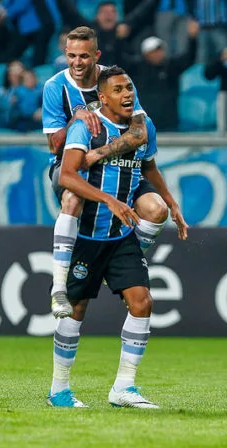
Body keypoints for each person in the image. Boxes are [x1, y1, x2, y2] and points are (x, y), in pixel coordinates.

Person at [47, 66, 187, 408]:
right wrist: (109, 199)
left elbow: (149, 166)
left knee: (143, 302)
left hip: (121, 234)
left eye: (130, 88)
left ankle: (123, 388)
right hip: (89, 235)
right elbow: (67, 174)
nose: (127, 95)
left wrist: (171, 203)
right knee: (75, 311)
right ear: (103, 97)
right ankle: (59, 391)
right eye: (120, 90)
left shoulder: (144, 127)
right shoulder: (85, 128)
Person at [42, 26, 184, 319]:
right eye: (71, 56)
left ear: (96, 55)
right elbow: (55, 146)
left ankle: (125, 256)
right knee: (72, 199)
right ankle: (58, 288)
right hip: (71, 165)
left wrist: (100, 152)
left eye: (84, 56)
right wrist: (76, 120)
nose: (77, 63)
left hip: (122, 166)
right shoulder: (55, 87)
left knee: (155, 210)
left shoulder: (117, 81)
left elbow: (139, 132)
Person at [124, 20, 199, 131]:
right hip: (144, 124)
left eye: (160, 50)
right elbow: (119, 59)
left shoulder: (170, 67)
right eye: (154, 51)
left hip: (169, 123)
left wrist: (192, 39)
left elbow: (189, 59)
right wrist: (120, 39)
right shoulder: (137, 69)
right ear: (146, 54)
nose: (158, 54)